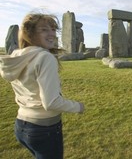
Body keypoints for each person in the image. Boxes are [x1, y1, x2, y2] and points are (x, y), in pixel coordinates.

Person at [0, 12, 85, 159]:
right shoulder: (45, 57)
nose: (52, 33)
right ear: (30, 34)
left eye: (53, 29)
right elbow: (51, 102)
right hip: (43, 129)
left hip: (21, 125)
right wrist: (78, 106)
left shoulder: (16, 56)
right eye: (44, 29)